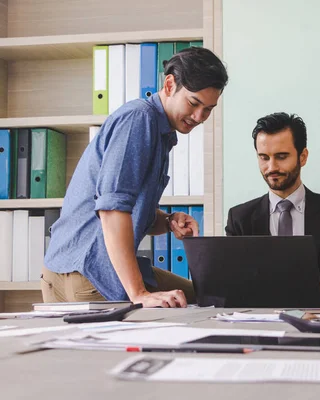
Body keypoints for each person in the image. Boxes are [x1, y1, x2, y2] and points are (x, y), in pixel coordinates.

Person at [42, 47, 229, 308]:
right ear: (169, 83)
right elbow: (111, 210)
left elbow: (134, 212)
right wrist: (139, 293)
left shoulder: (161, 132)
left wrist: (168, 221)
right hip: (85, 273)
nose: (199, 117)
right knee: (201, 304)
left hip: (85, 269)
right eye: (194, 103)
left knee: (209, 296)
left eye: (208, 109)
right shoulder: (139, 119)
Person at [225, 112, 320, 301]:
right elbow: (230, 284)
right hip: (261, 324)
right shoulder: (239, 219)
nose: (271, 167)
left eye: (281, 156)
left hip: (319, 323)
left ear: (303, 157)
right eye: (264, 157)